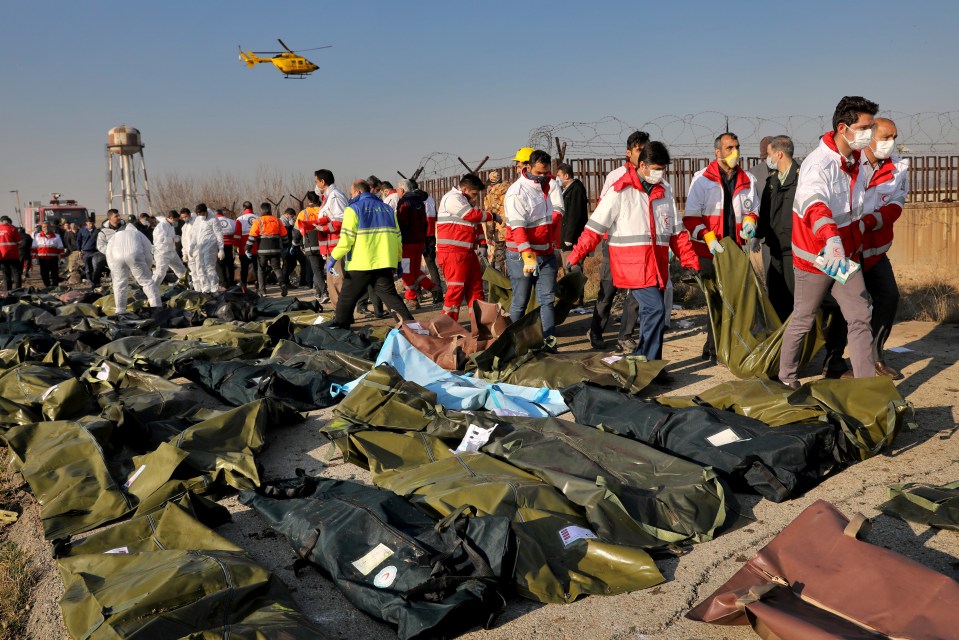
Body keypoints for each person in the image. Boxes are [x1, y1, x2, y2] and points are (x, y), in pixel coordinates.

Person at [778, 96, 880, 388]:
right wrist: (832, 240)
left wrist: (849, 245)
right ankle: (787, 378)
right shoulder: (818, 165)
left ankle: (866, 387)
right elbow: (815, 206)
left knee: (860, 316)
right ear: (843, 127)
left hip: (843, 258)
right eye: (864, 128)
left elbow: (854, 210)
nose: (869, 134)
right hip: (816, 256)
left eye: (871, 127)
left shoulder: (856, 163)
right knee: (804, 317)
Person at [567, 142, 699, 365]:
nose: (660, 173)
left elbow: (677, 232)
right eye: (656, 168)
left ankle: (646, 363)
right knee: (656, 310)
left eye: (663, 169)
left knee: (650, 315)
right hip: (632, 265)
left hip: (656, 266)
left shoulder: (664, 192)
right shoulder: (620, 191)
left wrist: (689, 259)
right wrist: (577, 254)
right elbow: (595, 227)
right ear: (643, 165)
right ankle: (649, 363)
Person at [825, 117, 909, 380]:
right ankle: (833, 360)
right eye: (886, 137)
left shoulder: (897, 169)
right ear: (870, 137)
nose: (891, 143)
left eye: (894, 137)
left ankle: (874, 357)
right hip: (848, 248)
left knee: (888, 297)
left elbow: (896, 204)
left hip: (875, 250)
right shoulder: (850, 163)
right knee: (844, 304)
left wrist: (869, 222)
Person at [684, 132, 760, 363]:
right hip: (710, 250)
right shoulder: (702, 180)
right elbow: (690, 218)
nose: (735, 152)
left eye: (737, 146)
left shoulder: (748, 180)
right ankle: (712, 346)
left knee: (735, 298)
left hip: (735, 249)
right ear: (717, 152)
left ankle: (730, 345)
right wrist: (706, 236)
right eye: (729, 148)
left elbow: (753, 209)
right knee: (714, 299)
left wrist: (751, 221)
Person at [326, 180, 414, 328]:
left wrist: (333, 258)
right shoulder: (388, 209)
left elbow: (346, 240)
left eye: (351, 193)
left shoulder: (353, 209)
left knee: (346, 299)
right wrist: (398, 261)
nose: (351, 196)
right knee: (391, 297)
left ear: (358, 192)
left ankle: (340, 330)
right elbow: (398, 238)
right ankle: (413, 328)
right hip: (384, 262)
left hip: (360, 264)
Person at [504, 149, 565, 341]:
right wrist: (527, 255)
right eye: (538, 173)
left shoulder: (546, 187)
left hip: (545, 253)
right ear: (527, 168)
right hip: (521, 255)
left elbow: (552, 217)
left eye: (546, 173)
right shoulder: (517, 192)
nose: (543, 177)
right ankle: (511, 343)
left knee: (547, 301)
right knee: (520, 302)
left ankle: (549, 343)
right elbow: (518, 228)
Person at [436, 174, 497, 319]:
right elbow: (471, 216)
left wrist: (482, 243)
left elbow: (476, 226)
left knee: (476, 289)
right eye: (474, 193)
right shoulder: (452, 198)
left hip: (467, 253)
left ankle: (479, 325)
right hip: (453, 254)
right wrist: (492, 216)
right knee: (455, 291)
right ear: (464, 189)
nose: (476, 198)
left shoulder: (465, 201)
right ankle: (447, 328)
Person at [756, 135, 800, 322]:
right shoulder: (772, 180)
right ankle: (781, 342)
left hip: (794, 249)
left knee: (795, 298)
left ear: (779, 154)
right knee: (776, 297)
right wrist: (757, 233)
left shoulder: (801, 179)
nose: (768, 159)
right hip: (775, 248)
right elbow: (765, 212)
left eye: (769, 155)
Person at [396, 179, 440, 308]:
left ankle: (412, 299)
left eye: (398, 189)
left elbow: (402, 223)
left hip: (407, 242)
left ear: (402, 190)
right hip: (420, 242)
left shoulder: (404, 202)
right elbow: (424, 223)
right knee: (415, 270)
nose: (397, 192)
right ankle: (432, 287)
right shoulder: (419, 201)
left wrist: (399, 241)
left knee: (406, 271)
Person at [106, 224, 162, 313]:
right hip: (135, 256)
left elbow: (108, 253)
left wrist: (113, 268)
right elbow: (148, 251)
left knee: (119, 284)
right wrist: (147, 267)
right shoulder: (138, 233)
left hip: (117, 258)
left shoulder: (115, 236)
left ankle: (120, 311)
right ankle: (156, 308)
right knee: (147, 282)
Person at [314, 169, 349, 305]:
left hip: (337, 248)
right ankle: (338, 311)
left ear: (322, 182)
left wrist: (323, 227)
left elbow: (341, 220)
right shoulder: (328, 197)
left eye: (316, 182)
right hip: (330, 249)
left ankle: (343, 313)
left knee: (338, 279)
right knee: (331, 279)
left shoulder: (335, 196)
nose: (316, 185)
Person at [556, 162, 589, 308]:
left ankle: (577, 298)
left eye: (559, 176)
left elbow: (574, 215)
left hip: (573, 237)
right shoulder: (568, 190)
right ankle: (573, 298)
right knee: (568, 267)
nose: (558, 179)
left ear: (566, 175)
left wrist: (569, 237)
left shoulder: (576, 189)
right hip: (567, 236)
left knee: (574, 267)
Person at [245, 202, 288, 297]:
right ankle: (283, 284)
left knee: (261, 270)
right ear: (270, 210)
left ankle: (262, 291)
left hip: (262, 251)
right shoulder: (277, 220)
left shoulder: (258, 221)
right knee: (277, 268)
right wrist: (286, 247)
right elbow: (284, 235)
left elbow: (252, 237)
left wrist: (247, 249)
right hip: (275, 250)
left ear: (261, 210)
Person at [183, 203, 223, 294]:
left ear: (205, 212)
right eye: (199, 214)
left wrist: (221, 249)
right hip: (200, 247)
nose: (201, 216)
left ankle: (214, 288)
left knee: (209, 268)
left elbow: (219, 234)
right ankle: (206, 288)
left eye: (202, 214)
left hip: (211, 247)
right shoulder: (198, 220)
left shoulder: (213, 220)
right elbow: (195, 234)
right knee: (201, 268)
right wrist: (192, 247)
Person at [294, 191, 325, 301]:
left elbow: (297, 231)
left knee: (317, 270)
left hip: (311, 245)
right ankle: (318, 292)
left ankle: (324, 292)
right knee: (320, 269)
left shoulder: (304, 213)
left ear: (308, 200)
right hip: (324, 244)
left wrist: (295, 243)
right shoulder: (324, 209)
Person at [482, 170, 509, 274]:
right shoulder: (511, 190)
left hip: (500, 232)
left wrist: (489, 234)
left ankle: (502, 283)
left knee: (499, 259)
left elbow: (490, 218)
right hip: (514, 230)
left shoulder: (490, 197)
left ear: (490, 185)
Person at [152, 210, 187, 286]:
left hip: (171, 251)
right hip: (162, 253)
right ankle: (151, 290)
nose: (177, 222)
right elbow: (160, 239)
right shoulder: (161, 226)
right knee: (160, 273)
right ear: (171, 218)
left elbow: (169, 237)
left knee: (182, 270)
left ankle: (185, 286)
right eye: (176, 220)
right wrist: (173, 239)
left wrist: (175, 237)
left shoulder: (171, 226)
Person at [422, 189, 444, 300]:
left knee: (412, 266)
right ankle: (438, 292)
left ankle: (415, 296)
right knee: (431, 263)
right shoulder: (429, 198)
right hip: (430, 235)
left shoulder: (413, 199)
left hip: (419, 236)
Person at [234, 202, 258, 293]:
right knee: (257, 268)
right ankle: (258, 286)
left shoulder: (240, 219)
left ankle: (244, 287)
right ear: (252, 207)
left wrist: (236, 246)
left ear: (244, 208)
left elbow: (237, 235)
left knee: (244, 269)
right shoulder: (258, 218)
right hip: (257, 248)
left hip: (244, 249)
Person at [33, 222, 65, 288]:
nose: (46, 228)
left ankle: (55, 286)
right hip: (42, 258)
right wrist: (34, 258)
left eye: (48, 226)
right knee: (44, 274)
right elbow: (33, 248)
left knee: (55, 274)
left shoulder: (57, 236)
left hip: (53, 258)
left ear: (51, 227)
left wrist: (62, 258)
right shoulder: (37, 236)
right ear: (42, 228)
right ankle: (47, 286)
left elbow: (61, 248)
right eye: (44, 227)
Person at [77, 218, 102, 285]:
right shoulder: (82, 231)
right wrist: (79, 251)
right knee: (88, 268)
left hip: (95, 252)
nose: (91, 225)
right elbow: (79, 241)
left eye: (92, 223)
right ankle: (90, 280)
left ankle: (96, 281)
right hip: (86, 252)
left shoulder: (97, 231)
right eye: (89, 223)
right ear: (86, 223)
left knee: (96, 267)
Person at [215, 208, 237, 288]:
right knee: (229, 264)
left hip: (217, 246)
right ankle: (231, 282)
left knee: (220, 265)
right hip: (229, 246)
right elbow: (236, 232)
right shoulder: (231, 221)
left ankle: (223, 283)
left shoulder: (213, 221)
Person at [0, 217, 22, 292]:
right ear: (9, 222)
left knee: (6, 274)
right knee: (16, 273)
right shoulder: (12, 229)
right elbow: (19, 241)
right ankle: (18, 290)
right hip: (13, 255)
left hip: (2, 256)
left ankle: (8, 291)